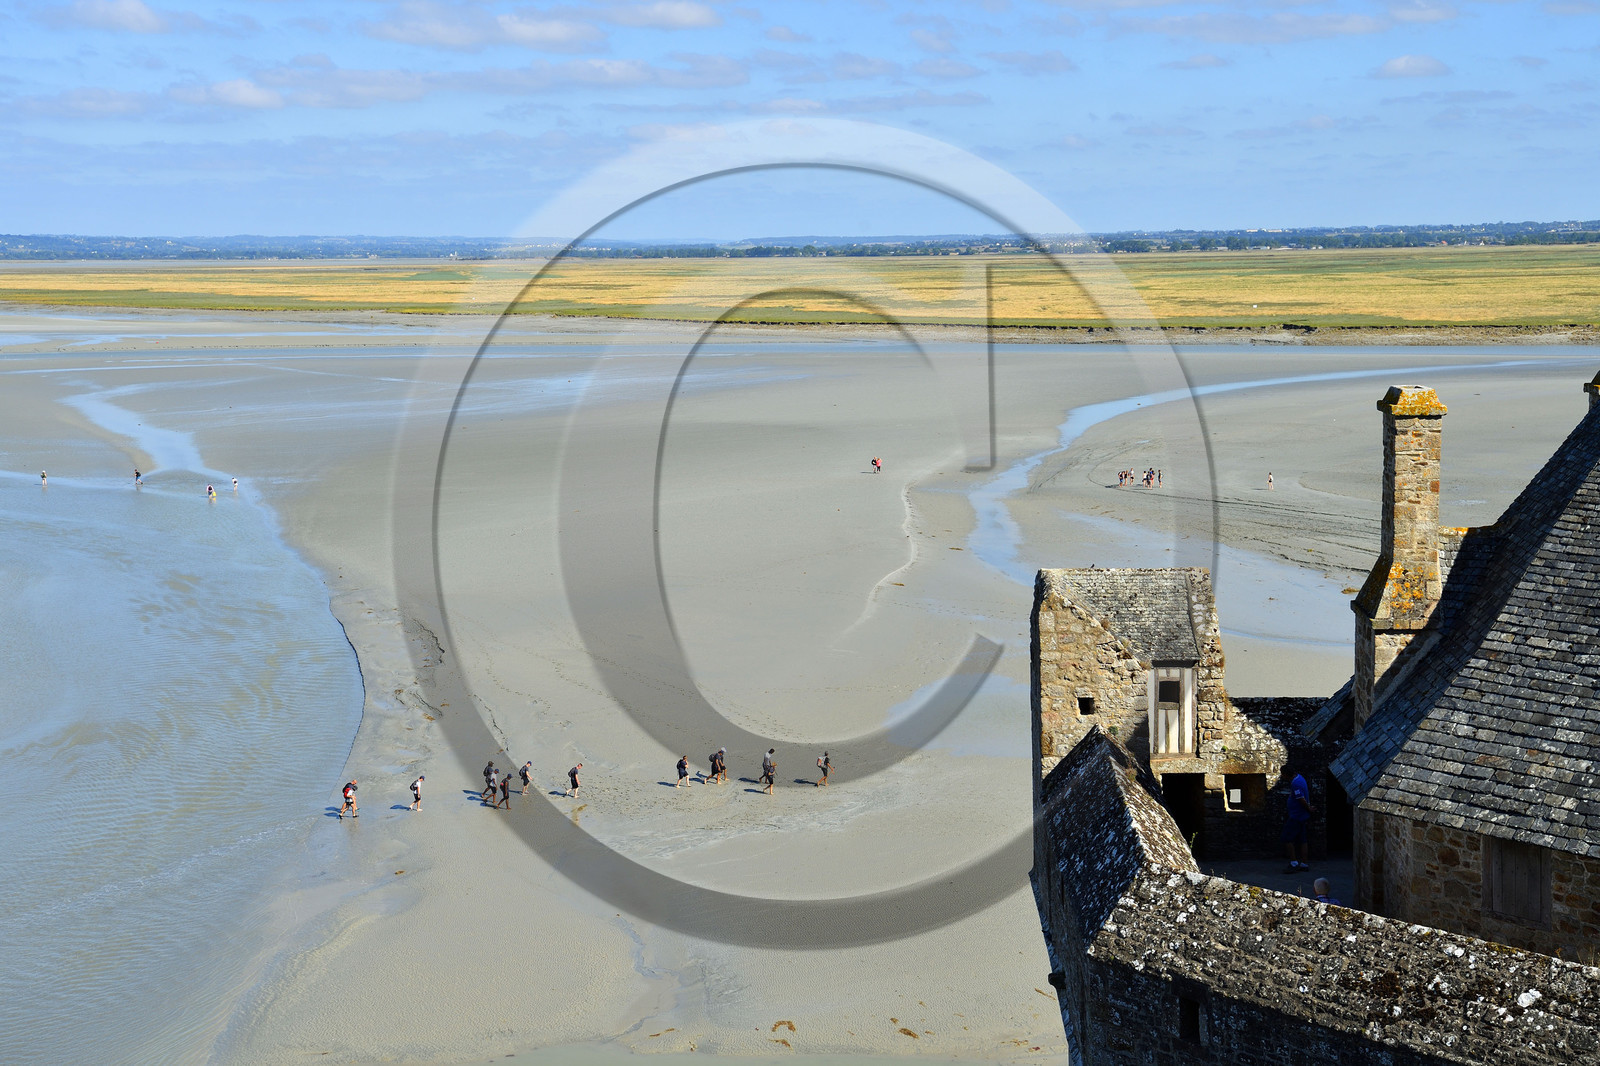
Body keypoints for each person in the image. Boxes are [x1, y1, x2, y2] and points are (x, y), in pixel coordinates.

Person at [1282, 772, 1314, 872]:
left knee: (1286, 838)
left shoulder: (1295, 784)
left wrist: (1309, 808)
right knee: (1303, 840)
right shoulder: (1300, 777)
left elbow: (1300, 798)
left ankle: (1294, 863)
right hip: (1303, 815)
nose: (1282, 777)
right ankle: (1304, 864)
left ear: (1287, 775)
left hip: (1297, 816)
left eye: (1283, 775)